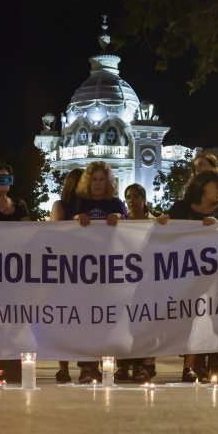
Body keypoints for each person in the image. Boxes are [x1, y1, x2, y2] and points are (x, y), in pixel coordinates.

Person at [164, 170, 218, 382]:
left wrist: (217, 229)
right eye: (217, 186)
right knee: (185, 320)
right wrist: (163, 223)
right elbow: (166, 236)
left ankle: (196, 367)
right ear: (203, 186)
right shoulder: (181, 208)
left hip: (210, 278)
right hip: (181, 274)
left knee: (204, 320)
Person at [70, 162, 129, 384]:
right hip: (83, 273)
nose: (97, 184)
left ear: (108, 182)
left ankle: (105, 366)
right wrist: (76, 219)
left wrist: (120, 219)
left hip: (109, 272)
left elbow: (132, 229)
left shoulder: (115, 203)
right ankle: (87, 367)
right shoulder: (79, 203)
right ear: (88, 181)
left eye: (102, 179)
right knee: (86, 321)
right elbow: (60, 230)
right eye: (93, 179)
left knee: (107, 321)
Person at [116, 182, 159, 383]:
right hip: (126, 283)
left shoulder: (155, 223)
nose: (131, 200)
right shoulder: (120, 224)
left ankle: (146, 365)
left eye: (135, 196)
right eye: (128, 197)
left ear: (144, 199)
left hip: (149, 282)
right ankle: (124, 365)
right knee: (125, 325)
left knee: (146, 324)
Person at [48, 168, 85, 383]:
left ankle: (87, 365)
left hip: (88, 273)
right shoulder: (61, 206)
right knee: (65, 320)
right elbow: (54, 234)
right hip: (65, 271)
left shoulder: (95, 207)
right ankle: (63, 367)